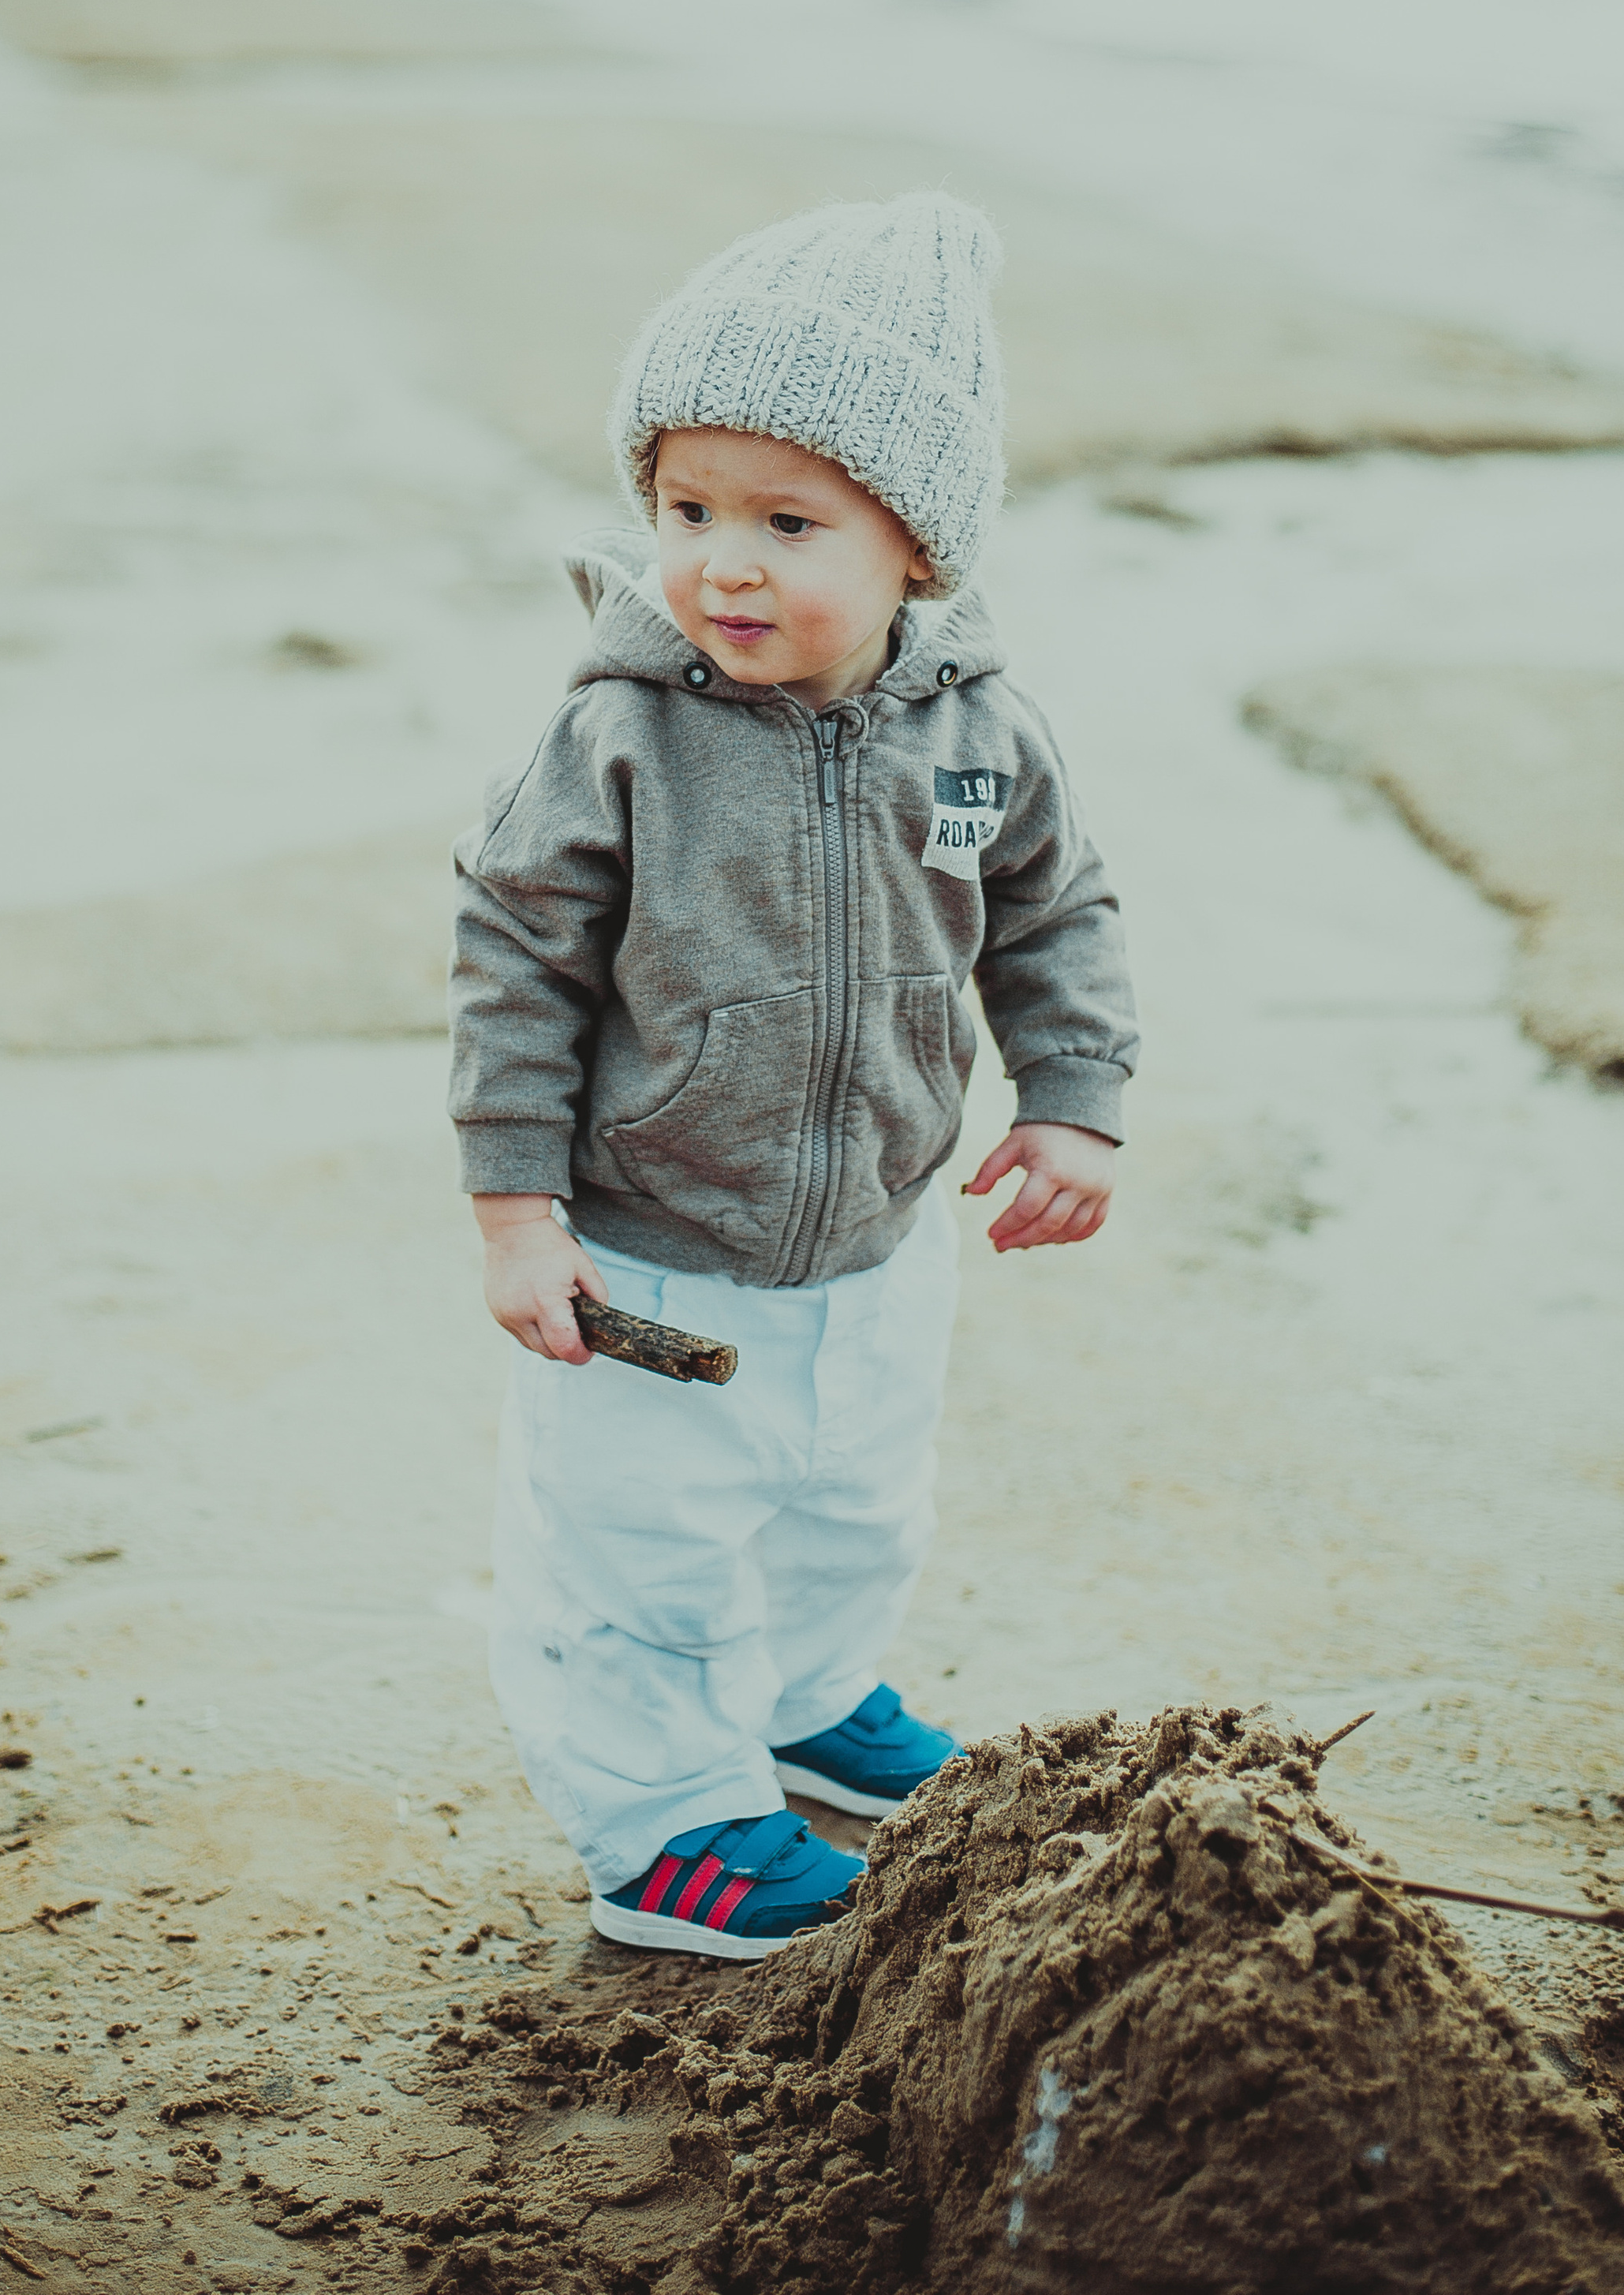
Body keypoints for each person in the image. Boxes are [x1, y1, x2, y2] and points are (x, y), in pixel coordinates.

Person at [449, 192, 1137, 1958]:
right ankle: (665, 1829)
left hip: (881, 1233)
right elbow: (517, 965)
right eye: (684, 510)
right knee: (641, 1554)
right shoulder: (621, 733)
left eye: (785, 520)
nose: (722, 564)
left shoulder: (978, 728)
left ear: (918, 545)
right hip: (651, 1246)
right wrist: (517, 1215)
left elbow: (1051, 919)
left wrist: (1069, 1099)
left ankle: (812, 1694)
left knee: (852, 1497)